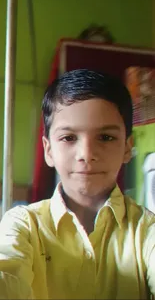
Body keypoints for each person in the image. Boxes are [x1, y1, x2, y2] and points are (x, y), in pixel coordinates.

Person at [0, 69, 155, 299]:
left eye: (105, 137)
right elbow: (8, 273)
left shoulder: (146, 231)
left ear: (126, 147)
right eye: (69, 138)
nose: (86, 154)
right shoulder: (23, 226)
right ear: (48, 150)